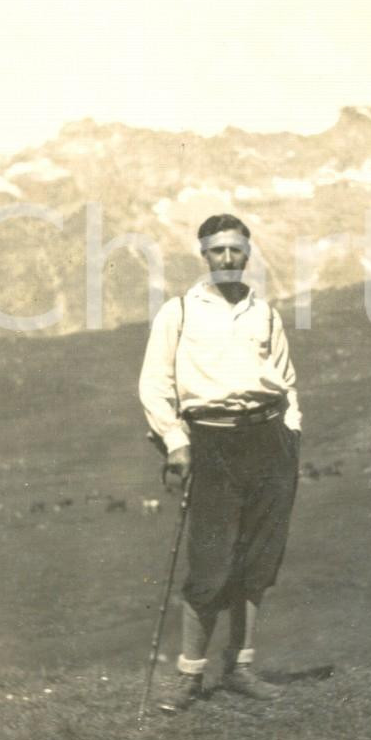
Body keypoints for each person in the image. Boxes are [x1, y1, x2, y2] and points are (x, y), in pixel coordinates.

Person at [138, 213, 301, 712]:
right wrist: (175, 442)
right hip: (211, 444)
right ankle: (190, 676)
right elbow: (154, 384)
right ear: (203, 255)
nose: (227, 259)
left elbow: (287, 381)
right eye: (217, 251)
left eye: (236, 250)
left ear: (247, 254)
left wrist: (291, 431)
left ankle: (241, 668)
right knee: (211, 563)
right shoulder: (180, 313)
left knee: (259, 560)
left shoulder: (264, 314)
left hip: (269, 441)